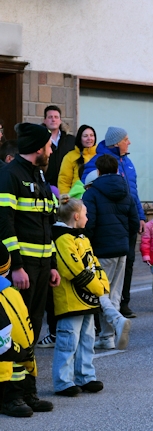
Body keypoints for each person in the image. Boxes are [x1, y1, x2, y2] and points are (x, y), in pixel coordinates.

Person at [0, 122, 59, 413]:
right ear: (38, 148)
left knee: (32, 329)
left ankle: (28, 391)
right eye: (48, 145)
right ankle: (10, 396)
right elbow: (5, 224)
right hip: (21, 271)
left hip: (42, 266)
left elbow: (47, 224)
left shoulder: (39, 175)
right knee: (13, 333)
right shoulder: (9, 175)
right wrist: (17, 267)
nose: (51, 149)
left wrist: (52, 265)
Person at [82, 127, 145, 319]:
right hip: (110, 226)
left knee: (126, 266)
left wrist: (140, 216)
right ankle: (111, 316)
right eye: (126, 139)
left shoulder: (128, 162)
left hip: (125, 222)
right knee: (106, 275)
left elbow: (134, 193)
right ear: (117, 143)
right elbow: (89, 186)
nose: (129, 142)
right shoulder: (97, 162)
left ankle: (121, 306)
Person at [51, 196, 110, 397]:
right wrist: (98, 288)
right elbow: (73, 270)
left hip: (88, 299)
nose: (88, 217)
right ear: (76, 216)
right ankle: (63, 381)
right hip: (70, 301)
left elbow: (94, 263)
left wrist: (104, 284)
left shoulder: (82, 238)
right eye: (85, 213)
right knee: (68, 340)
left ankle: (86, 376)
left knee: (87, 338)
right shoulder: (62, 238)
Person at [82, 155, 138, 350]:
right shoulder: (126, 191)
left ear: (98, 171)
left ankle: (116, 321)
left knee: (98, 291)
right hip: (121, 248)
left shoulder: (92, 193)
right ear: (116, 170)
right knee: (114, 293)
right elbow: (134, 223)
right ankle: (108, 337)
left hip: (101, 249)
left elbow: (89, 223)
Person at [0, 244, 38, 418]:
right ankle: (10, 398)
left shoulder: (10, 292)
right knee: (9, 352)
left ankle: (25, 391)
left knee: (21, 341)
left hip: (5, 284)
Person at [56, 125, 97, 203]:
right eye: (85, 136)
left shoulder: (100, 155)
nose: (89, 138)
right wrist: (66, 200)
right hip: (76, 200)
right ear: (79, 139)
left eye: (92, 135)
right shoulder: (70, 157)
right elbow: (64, 181)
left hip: (96, 199)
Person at [42, 106, 76, 196]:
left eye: (56, 117)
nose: (53, 120)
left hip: (68, 189)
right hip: (45, 187)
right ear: (44, 120)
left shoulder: (71, 140)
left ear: (60, 120)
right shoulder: (39, 140)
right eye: (50, 117)